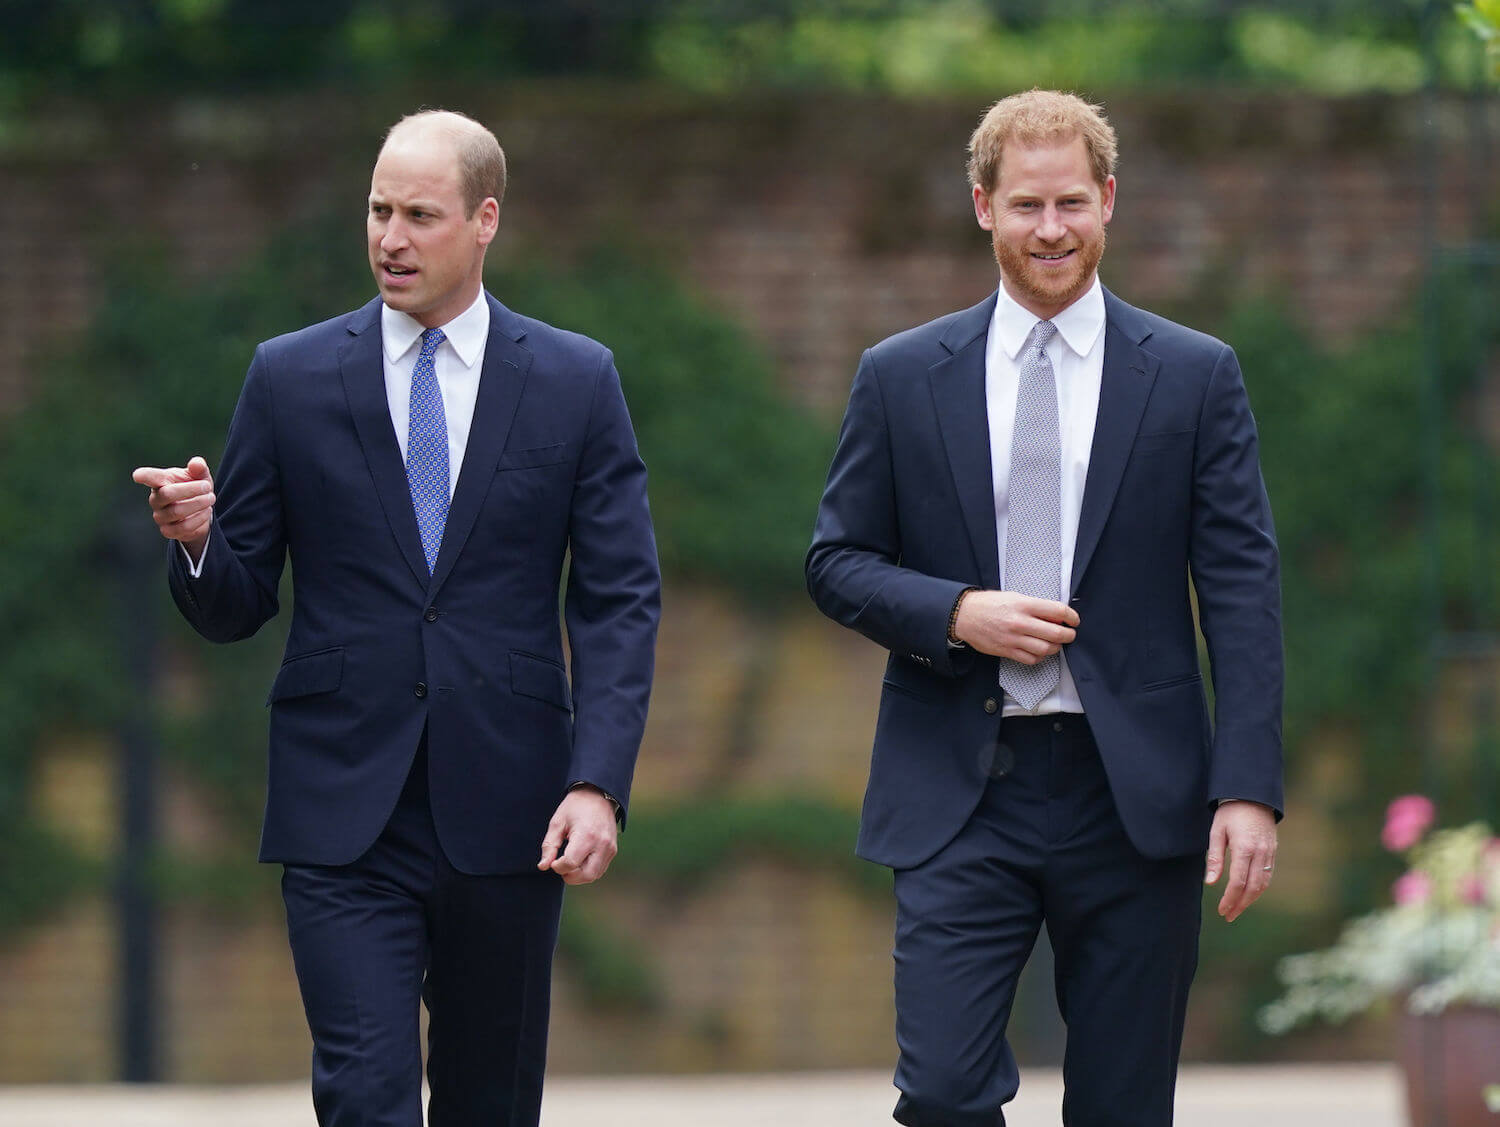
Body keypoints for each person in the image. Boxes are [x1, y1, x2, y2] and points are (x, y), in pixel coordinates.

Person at [132, 109, 660, 1126]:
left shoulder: (573, 380)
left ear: (485, 220)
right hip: (341, 811)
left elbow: (618, 595)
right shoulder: (286, 376)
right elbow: (236, 603)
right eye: (378, 210)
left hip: (512, 809)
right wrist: (196, 539)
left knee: (489, 1103)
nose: (390, 237)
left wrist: (597, 781)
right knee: (366, 1094)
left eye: (420, 214)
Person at [805, 89, 1282, 1126]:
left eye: (1073, 201)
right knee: (939, 1092)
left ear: (1109, 200)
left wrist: (1247, 785)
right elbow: (835, 560)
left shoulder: (1197, 376)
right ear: (984, 206)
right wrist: (956, 610)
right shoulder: (900, 376)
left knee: (1123, 1104)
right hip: (957, 787)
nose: (1052, 227)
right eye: (1027, 204)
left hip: (1136, 794)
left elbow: (1243, 587)